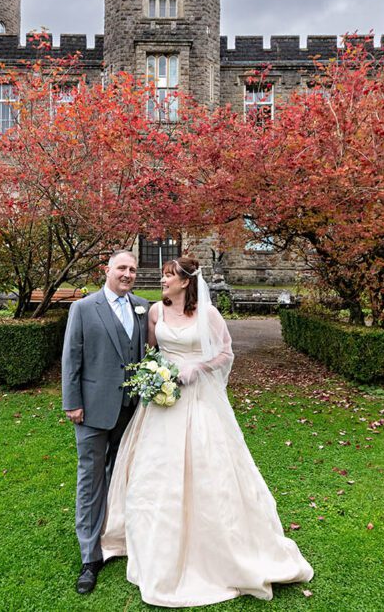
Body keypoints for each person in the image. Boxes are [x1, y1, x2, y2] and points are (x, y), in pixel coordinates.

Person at [101, 255, 313, 607]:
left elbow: (226, 353)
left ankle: (211, 544)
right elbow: (151, 352)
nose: (163, 280)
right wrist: (157, 376)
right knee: (153, 471)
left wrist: (198, 368)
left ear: (186, 281)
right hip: (161, 405)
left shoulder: (208, 315)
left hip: (198, 401)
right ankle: (151, 539)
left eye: (169, 276)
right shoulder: (155, 312)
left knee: (207, 468)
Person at [61, 250, 149, 594]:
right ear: (108, 270)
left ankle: (118, 538)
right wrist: (73, 403)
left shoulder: (142, 307)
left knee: (123, 476)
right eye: (122, 268)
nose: (128, 274)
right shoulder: (83, 308)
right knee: (91, 480)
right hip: (93, 410)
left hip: (132, 409)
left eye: (133, 269)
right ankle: (89, 555)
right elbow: (72, 357)